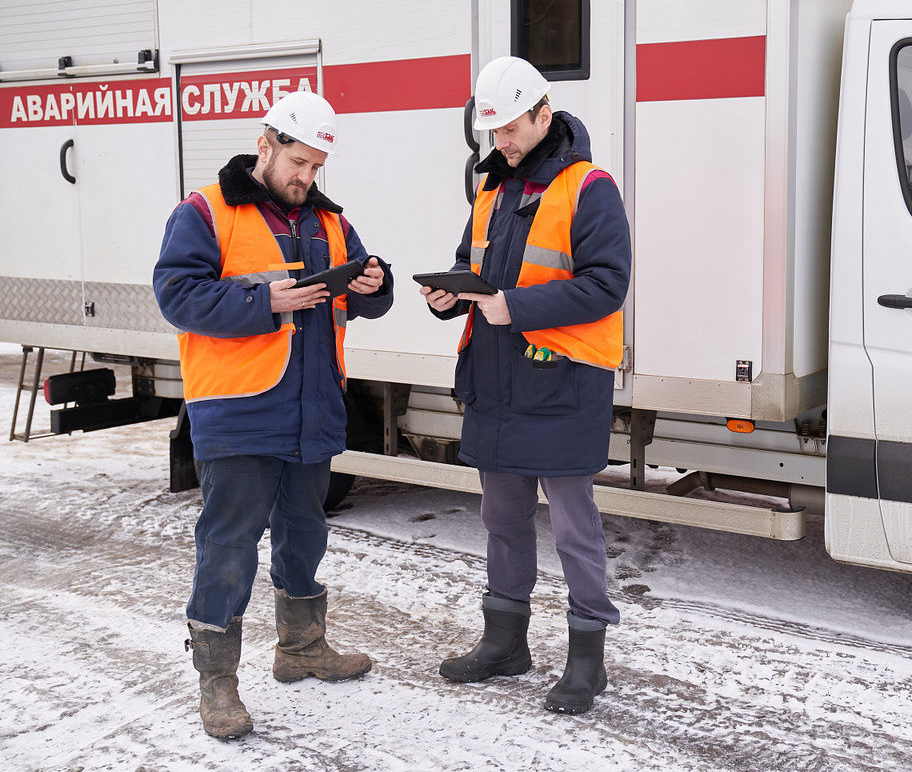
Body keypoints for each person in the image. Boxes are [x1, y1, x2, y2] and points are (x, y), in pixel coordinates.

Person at [153, 90, 393, 739]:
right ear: (266, 144)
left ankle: (301, 646)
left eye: (317, 167)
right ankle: (217, 680)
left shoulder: (328, 221)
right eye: (298, 162)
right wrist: (268, 299)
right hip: (238, 411)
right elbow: (176, 294)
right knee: (228, 547)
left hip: (312, 410)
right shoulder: (206, 210)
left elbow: (363, 282)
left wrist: (376, 283)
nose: (306, 177)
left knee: (305, 532)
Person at [422, 56, 631, 715]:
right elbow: (471, 262)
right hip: (497, 379)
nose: (502, 143)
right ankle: (505, 641)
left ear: (544, 113)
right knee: (501, 518)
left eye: (511, 129)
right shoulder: (493, 187)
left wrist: (517, 307)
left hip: (563, 384)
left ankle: (587, 661)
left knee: (575, 527)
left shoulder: (589, 187)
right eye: (494, 133)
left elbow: (607, 283)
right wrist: (448, 294)